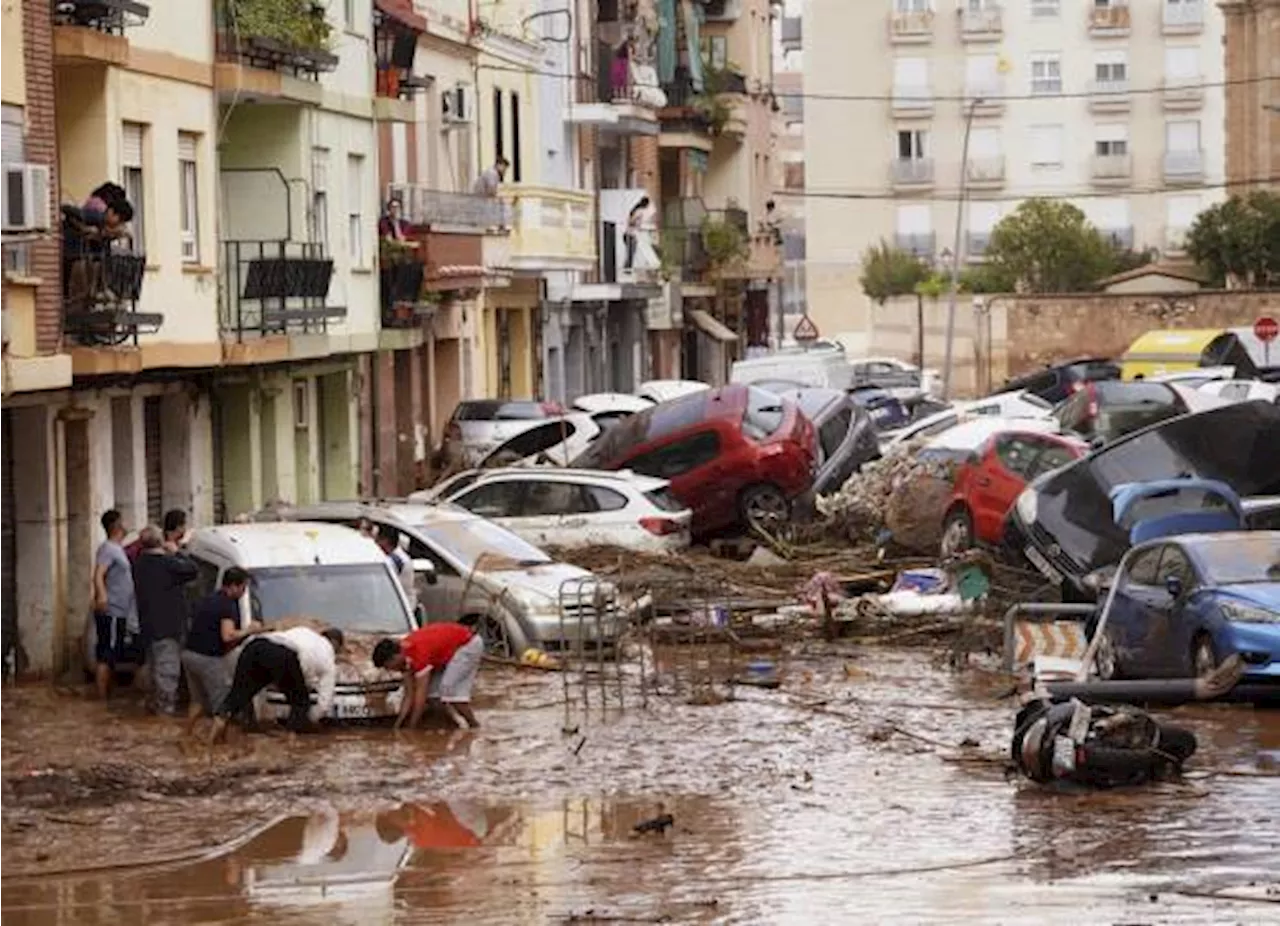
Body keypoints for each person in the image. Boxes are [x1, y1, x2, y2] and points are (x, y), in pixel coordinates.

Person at [209, 625, 345, 743]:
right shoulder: (329, 659)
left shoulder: (305, 631)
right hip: (283, 655)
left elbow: (301, 665)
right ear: (336, 644)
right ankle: (290, 744)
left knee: (238, 694)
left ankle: (214, 738)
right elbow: (324, 704)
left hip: (255, 645)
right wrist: (310, 720)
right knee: (300, 703)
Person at [182, 567, 258, 735]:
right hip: (208, 660)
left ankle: (185, 735)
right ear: (234, 586)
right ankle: (216, 745)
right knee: (223, 706)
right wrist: (250, 630)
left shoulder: (209, 598)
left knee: (197, 701)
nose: (244, 591)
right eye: (243, 587)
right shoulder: (227, 605)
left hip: (189, 655)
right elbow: (228, 636)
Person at [132, 525, 198, 715]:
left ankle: (154, 709)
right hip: (168, 628)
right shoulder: (167, 564)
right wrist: (177, 552)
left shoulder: (139, 564)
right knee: (167, 675)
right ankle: (164, 715)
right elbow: (193, 570)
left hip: (148, 628)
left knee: (155, 673)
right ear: (160, 542)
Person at [372, 622, 484, 730]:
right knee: (433, 697)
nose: (390, 670)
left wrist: (411, 728)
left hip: (468, 644)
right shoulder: (404, 659)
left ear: (395, 657)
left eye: (388, 666)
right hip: (450, 650)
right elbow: (409, 696)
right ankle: (454, 726)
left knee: (450, 693)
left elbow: (420, 696)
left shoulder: (418, 654)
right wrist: (398, 725)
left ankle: (474, 726)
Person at [92, 509, 137, 700]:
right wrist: (102, 596)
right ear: (117, 525)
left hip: (119, 612)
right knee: (107, 655)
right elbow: (98, 573)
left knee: (112, 654)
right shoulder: (108, 549)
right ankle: (102, 699)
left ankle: (107, 695)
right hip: (112, 611)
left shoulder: (117, 548)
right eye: (123, 522)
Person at [375, 527, 417, 615]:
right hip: (401, 606)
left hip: (399, 608)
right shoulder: (399, 556)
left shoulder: (395, 560)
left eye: (378, 539)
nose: (376, 543)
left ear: (385, 540)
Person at [624, 196, 651, 271]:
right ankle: (627, 270)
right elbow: (631, 221)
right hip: (630, 234)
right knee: (631, 253)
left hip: (630, 234)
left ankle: (628, 269)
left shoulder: (637, 210)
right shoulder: (639, 211)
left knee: (631, 253)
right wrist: (636, 224)